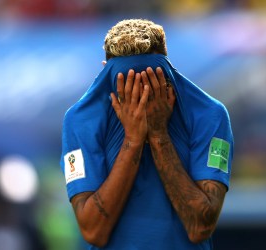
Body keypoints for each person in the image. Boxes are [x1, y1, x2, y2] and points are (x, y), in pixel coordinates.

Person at [60, 19, 234, 249]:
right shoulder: (80, 121)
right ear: (106, 75)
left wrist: (159, 134)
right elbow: (94, 231)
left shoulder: (210, 115)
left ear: (169, 73)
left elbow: (200, 227)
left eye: (151, 81)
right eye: (129, 84)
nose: (141, 95)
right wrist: (133, 138)